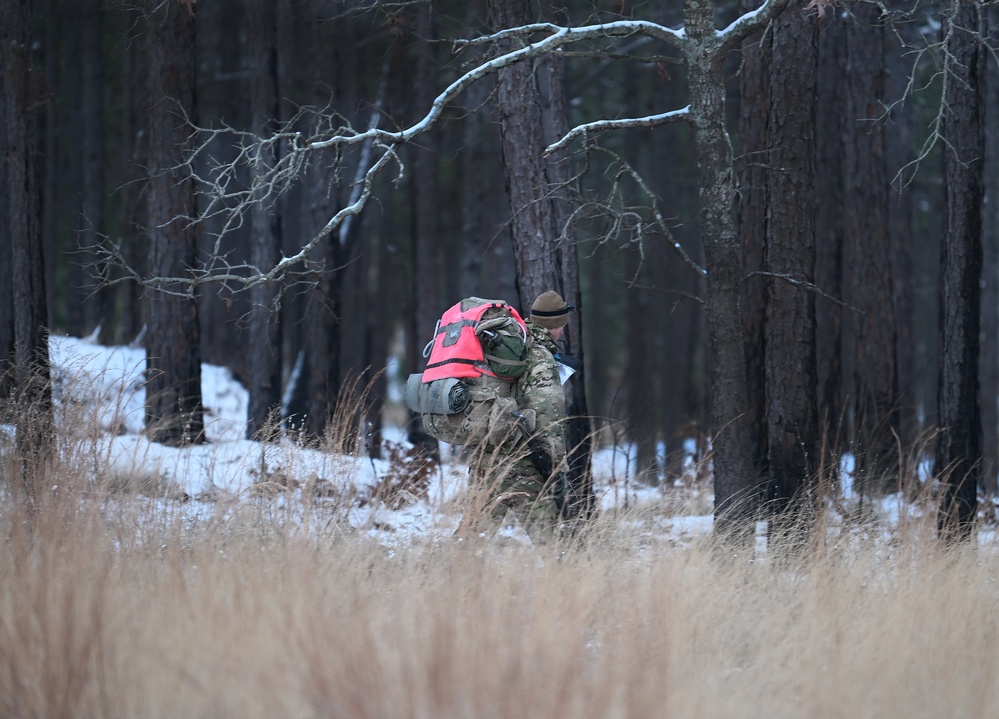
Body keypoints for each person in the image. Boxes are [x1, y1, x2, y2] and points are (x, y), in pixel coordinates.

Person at [462, 290, 573, 545]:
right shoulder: (540, 357)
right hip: (524, 462)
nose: (563, 331)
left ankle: (443, 579)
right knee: (553, 543)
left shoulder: (510, 346)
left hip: (486, 455)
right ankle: (568, 583)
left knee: (471, 539)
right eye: (561, 325)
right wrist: (555, 466)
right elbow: (548, 414)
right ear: (554, 325)